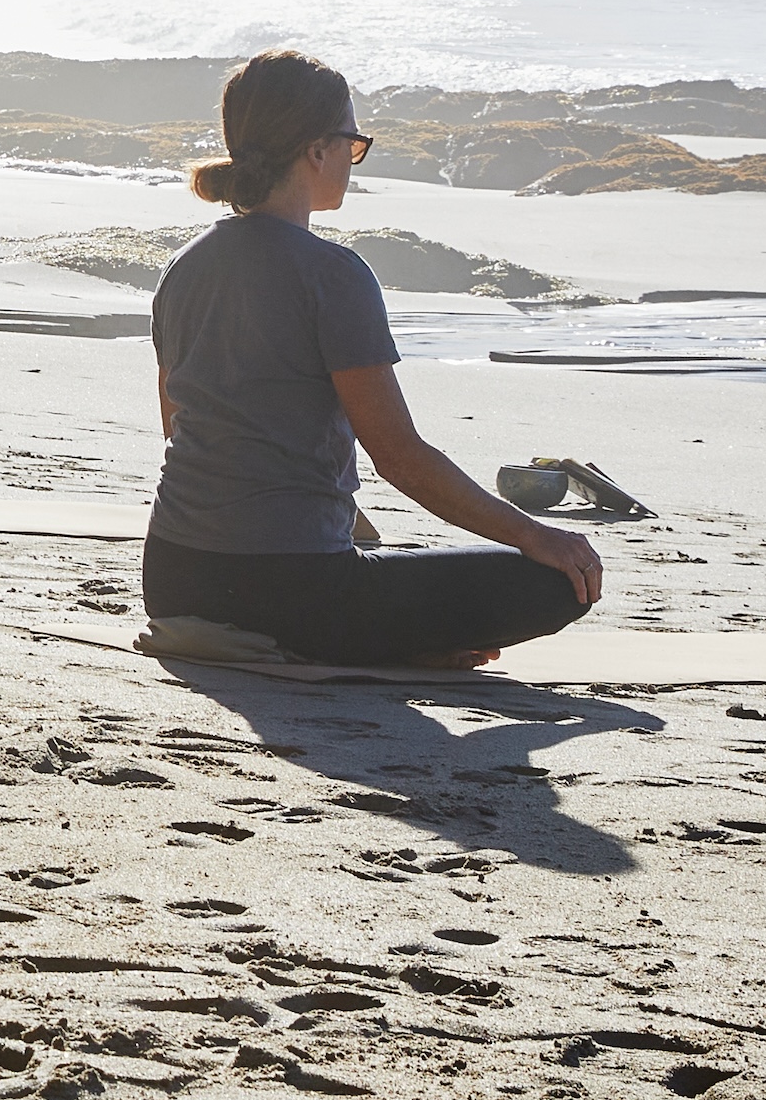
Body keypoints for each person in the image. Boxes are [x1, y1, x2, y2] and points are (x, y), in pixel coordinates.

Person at [142, 48, 604, 668]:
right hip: (290, 592)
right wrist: (533, 532)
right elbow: (400, 458)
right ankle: (367, 645)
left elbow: (180, 422)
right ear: (316, 150)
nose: (353, 160)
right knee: (558, 581)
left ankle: (352, 635)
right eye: (352, 143)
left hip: (174, 581)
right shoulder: (334, 276)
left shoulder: (185, 268)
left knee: (389, 562)